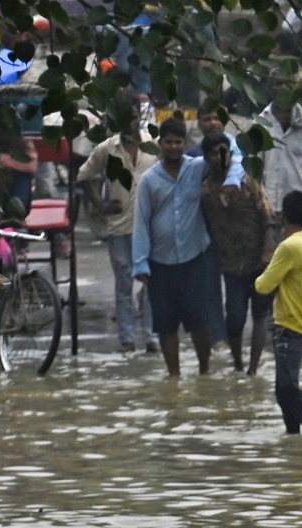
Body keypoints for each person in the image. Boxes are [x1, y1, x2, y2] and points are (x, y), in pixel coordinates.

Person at [134, 119, 220, 377]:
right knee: (166, 324)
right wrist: (140, 263)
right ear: (160, 145)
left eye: (178, 142)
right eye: (168, 142)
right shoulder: (149, 180)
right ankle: (174, 377)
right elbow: (141, 221)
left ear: (186, 144)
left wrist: (217, 139)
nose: (173, 147)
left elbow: (229, 158)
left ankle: (205, 373)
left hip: (196, 258)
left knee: (200, 321)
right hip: (160, 263)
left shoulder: (198, 168)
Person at [197, 135, 272, 377]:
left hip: (257, 258)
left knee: (260, 315)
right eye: (214, 153)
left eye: (224, 151)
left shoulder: (248, 180)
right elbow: (206, 224)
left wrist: (268, 251)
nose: (220, 158)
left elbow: (268, 218)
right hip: (230, 263)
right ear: (207, 157)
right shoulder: (207, 190)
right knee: (235, 318)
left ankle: (252, 369)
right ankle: (238, 364)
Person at [81, 113, 155, 355]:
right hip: (119, 226)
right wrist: (101, 206)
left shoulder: (152, 144)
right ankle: (127, 338)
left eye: (132, 116)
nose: (129, 123)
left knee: (150, 284)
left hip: (150, 227)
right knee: (124, 284)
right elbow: (84, 175)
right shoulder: (107, 148)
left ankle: (151, 335)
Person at [252, 191, 302, 437]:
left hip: (288, 324)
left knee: (288, 386)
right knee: (283, 387)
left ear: (284, 214)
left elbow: (263, 285)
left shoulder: (289, 247)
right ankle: (293, 435)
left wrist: (262, 271)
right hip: (300, 321)